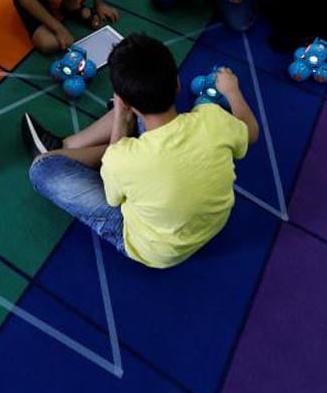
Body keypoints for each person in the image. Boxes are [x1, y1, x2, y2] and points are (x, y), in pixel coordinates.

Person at [22, 34, 258, 269]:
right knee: (149, 130)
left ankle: (68, 147)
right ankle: (71, 145)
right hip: (213, 223)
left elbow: (113, 198)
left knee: (42, 168)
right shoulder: (212, 117)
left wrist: (120, 120)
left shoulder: (121, 160)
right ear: (177, 83)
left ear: (123, 102)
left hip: (155, 250)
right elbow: (251, 132)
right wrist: (232, 91)